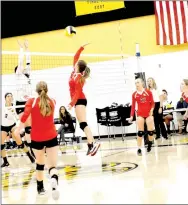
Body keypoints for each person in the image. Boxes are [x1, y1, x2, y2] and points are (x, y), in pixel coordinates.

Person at [14, 81, 59, 199]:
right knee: (52, 166)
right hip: (51, 136)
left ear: (36, 90)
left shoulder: (31, 102)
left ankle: (40, 188)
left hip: (37, 138)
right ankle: (54, 179)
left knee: (40, 163)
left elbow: (25, 114)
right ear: (47, 90)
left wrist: (19, 128)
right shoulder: (53, 101)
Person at [67, 43, 100, 156]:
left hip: (79, 100)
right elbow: (75, 57)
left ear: (78, 67)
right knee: (82, 124)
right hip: (78, 101)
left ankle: (93, 144)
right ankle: (91, 145)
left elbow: (76, 93)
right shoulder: (74, 73)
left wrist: (72, 103)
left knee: (83, 124)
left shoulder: (79, 78)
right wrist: (81, 47)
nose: (75, 63)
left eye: (76, 64)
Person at [1, 93, 35, 168]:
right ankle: (5, 161)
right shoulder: (2, 106)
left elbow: (16, 117)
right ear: (5, 98)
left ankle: (31, 157)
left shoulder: (15, 106)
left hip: (12, 125)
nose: (10, 97)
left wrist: (13, 113)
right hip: (3, 126)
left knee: (19, 140)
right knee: (1, 144)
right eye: (8, 96)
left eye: (11, 96)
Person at [14, 39, 35, 158]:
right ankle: (29, 149)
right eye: (20, 68)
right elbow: (21, 62)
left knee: (29, 129)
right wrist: (21, 49)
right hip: (20, 104)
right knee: (25, 128)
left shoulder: (28, 74)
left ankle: (31, 149)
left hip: (28, 103)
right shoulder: (18, 75)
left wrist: (27, 48)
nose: (22, 68)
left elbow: (28, 61)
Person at [129, 78, 155, 156]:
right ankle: (139, 148)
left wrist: (152, 110)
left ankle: (150, 143)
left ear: (142, 83)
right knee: (140, 132)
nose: (136, 84)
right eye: (135, 83)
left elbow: (153, 103)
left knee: (150, 131)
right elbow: (133, 106)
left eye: (138, 82)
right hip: (140, 114)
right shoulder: (134, 94)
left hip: (148, 114)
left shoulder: (148, 92)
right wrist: (131, 116)